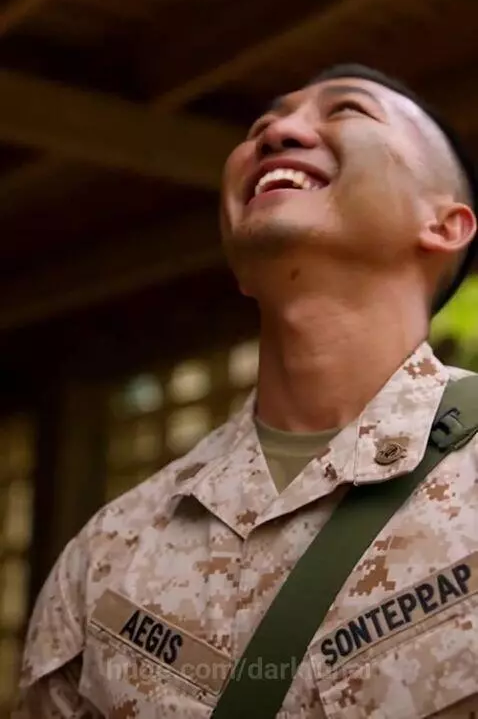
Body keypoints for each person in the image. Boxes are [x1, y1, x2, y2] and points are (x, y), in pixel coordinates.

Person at [14, 64, 478, 718]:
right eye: (262, 124)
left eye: (347, 109)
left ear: (445, 224)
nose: (277, 130)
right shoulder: (106, 557)